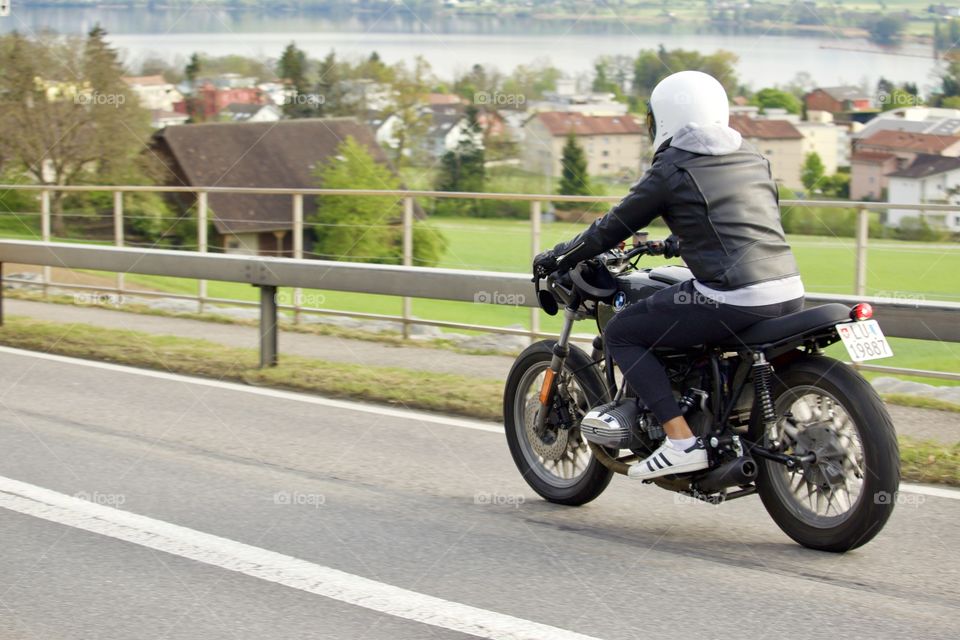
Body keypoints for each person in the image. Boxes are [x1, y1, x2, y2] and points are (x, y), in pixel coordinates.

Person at [533, 70, 804, 480]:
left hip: (732, 298)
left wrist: (557, 257)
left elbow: (611, 228)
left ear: (663, 118)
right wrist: (674, 244)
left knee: (624, 331)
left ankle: (681, 442)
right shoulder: (752, 157)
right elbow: (737, 226)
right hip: (788, 291)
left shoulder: (672, 169)